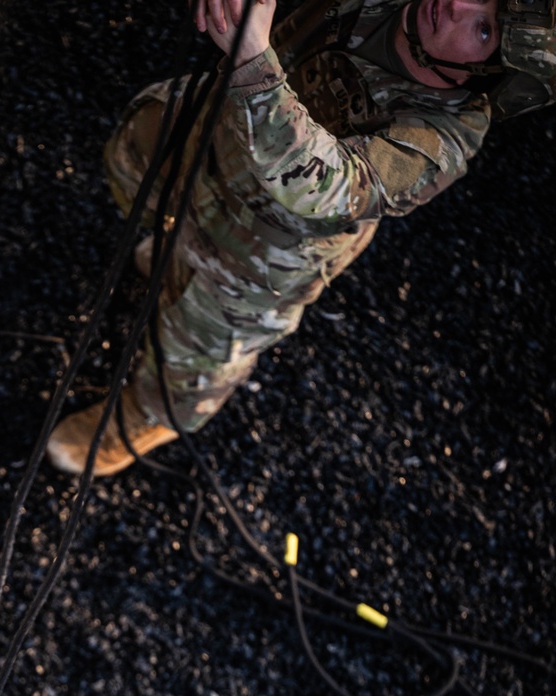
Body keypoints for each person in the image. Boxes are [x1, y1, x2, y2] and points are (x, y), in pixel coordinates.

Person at [46, 0, 556, 477]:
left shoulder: (444, 137)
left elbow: (329, 189)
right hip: (219, 127)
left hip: (267, 243)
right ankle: (176, 250)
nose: (457, 5)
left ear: (486, 77)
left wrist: (251, 60)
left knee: (199, 351)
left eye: (484, 29)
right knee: (133, 158)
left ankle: (143, 419)